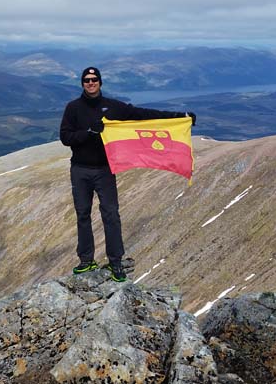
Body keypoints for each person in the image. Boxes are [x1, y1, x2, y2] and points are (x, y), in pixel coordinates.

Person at [59, 67, 196, 282]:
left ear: (100, 82)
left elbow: (143, 115)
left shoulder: (113, 107)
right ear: (82, 83)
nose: (91, 83)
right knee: (83, 215)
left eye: (94, 79)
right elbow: (65, 137)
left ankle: (116, 262)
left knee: (111, 215)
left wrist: (181, 117)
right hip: (80, 170)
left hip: (105, 170)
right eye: (86, 80)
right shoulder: (73, 108)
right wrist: (88, 133)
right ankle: (86, 260)